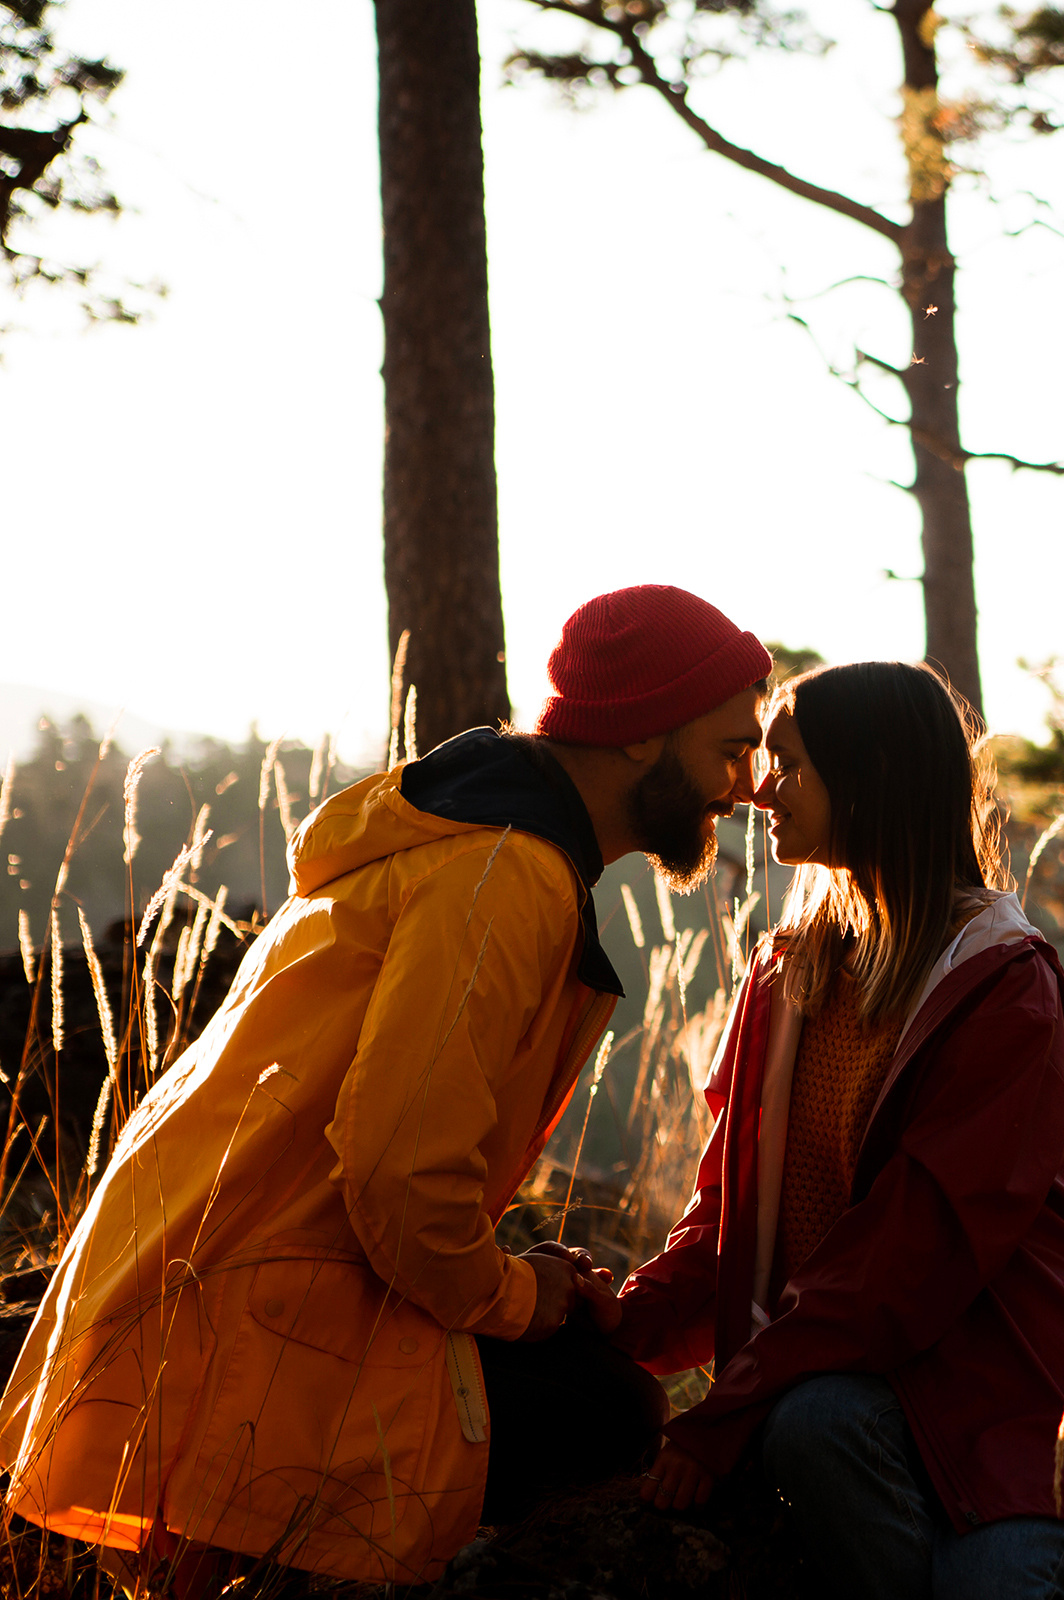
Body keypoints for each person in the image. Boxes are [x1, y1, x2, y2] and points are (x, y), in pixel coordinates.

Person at [0, 585, 772, 1588]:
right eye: (729, 748)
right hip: (248, 1327)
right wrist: (519, 1295)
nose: (744, 785)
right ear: (639, 738)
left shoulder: (480, 850)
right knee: (605, 1409)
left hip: (233, 1295)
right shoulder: (504, 875)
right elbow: (399, 1174)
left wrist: (520, 1278)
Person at [590, 659, 1064, 1600]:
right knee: (811, 1424)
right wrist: (621, 1324)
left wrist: (728, 1412)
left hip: (1010, 1402)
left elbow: (913, 1250)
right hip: (852, 1392)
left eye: (791, 764)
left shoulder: (1002, 985)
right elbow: (730, 1205)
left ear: (875, 777)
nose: (761, 786)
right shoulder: (788, 976)